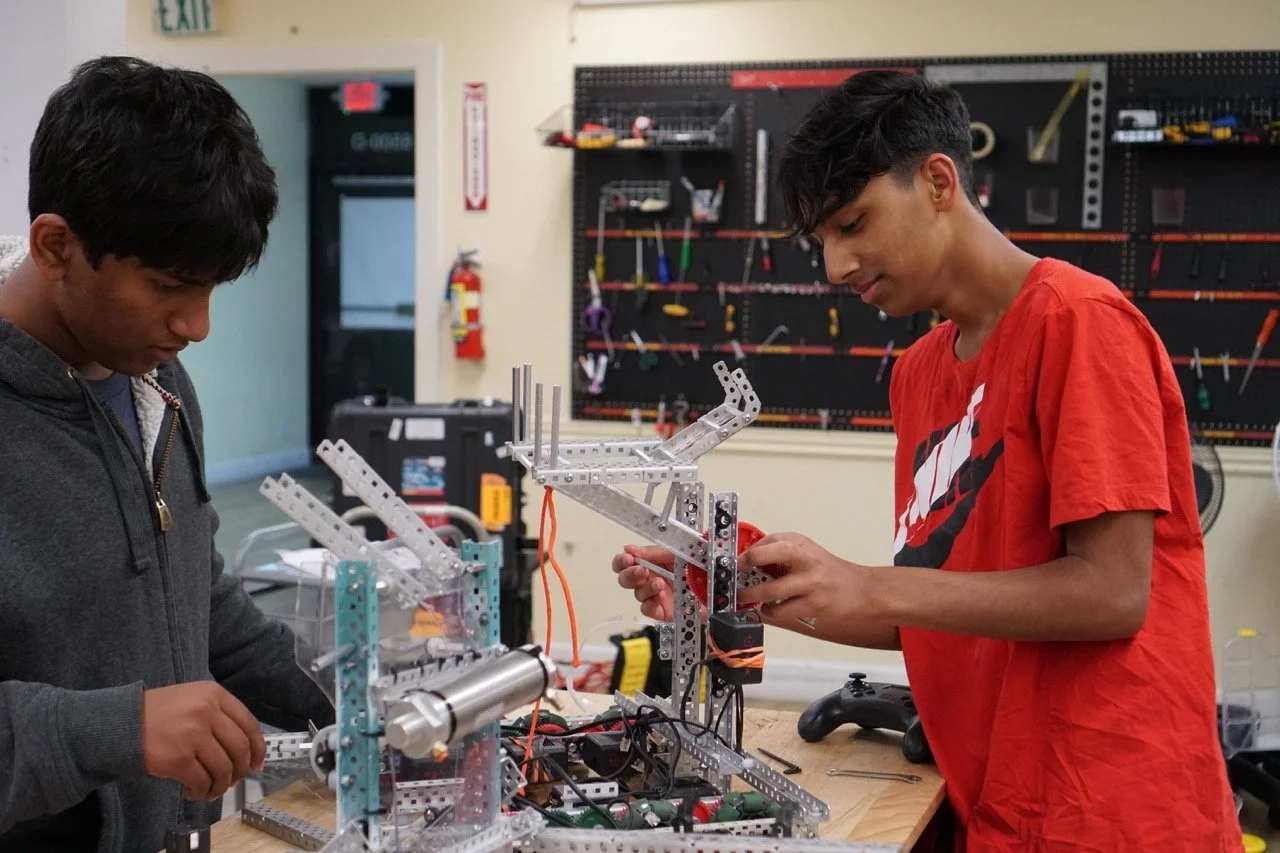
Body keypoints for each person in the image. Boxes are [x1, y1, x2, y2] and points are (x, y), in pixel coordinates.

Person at [613, 70, 1240, 851]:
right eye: (822, 243)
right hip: (994, 803)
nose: (837, 267)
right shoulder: (918, 373)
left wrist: (870, 580)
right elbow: (941, 613)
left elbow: (1114, 592)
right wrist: (738, 584)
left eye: (854, 223)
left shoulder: (1079, 324)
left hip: (1112, 813)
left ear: (939, 181)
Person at [0, 57, 334, 852]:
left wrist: (347, 699)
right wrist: (114, 727)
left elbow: (192, 586)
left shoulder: (156, 382)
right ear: (56, 246)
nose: (197, 324)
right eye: (168, 285)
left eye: (214, 288)